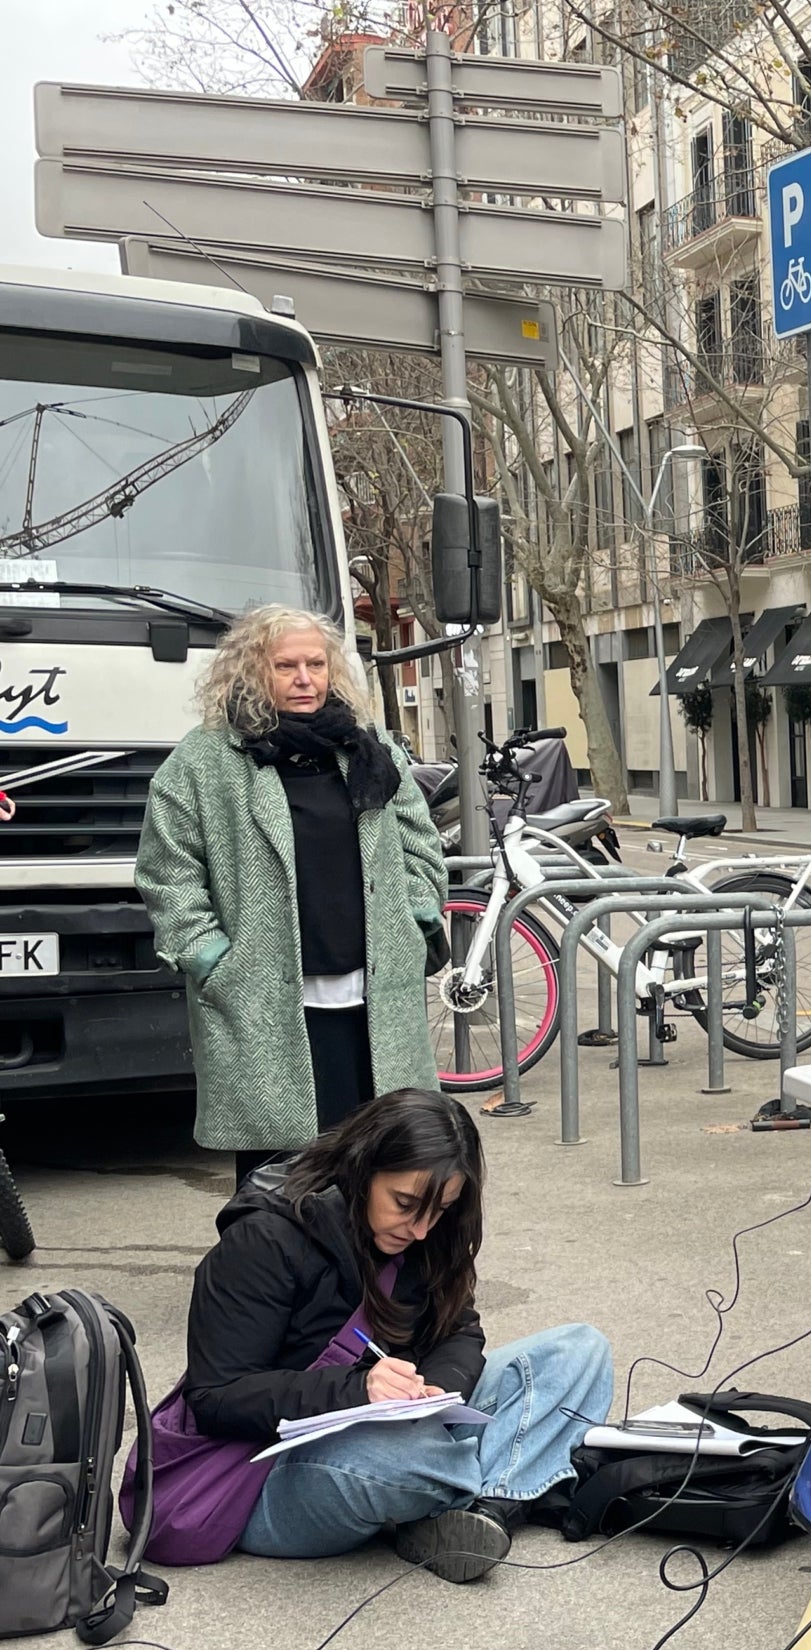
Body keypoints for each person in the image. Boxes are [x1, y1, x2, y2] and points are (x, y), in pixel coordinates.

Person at [184, 1089, 612, 1583]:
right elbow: (216, 1398)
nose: (423, 1229)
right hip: (270, 1470)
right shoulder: (264, 1239)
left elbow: (459, 1330)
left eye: (441, 1210)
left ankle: (483, 1512)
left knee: (578, 1349)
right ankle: (500, 1483)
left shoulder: (432, 1232)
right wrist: (358, 1389)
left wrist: (437, 1387)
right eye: (405, 1204)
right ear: (362, 1169)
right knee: (411, 1457)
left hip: (398, 1426)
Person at [137, 606, 448, 1186]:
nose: (305, 678)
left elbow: (420, 845)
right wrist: (209, 956)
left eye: (316, 664)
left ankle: (369, 1275)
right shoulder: (205, 762)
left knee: (381, 1162)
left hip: (374, 998)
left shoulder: (369, 749)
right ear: (251, 672)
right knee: (279, 1176)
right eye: (286, 666)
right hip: (266, 998)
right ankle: (272, 1274)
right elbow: (167, 871)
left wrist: (413, 916)